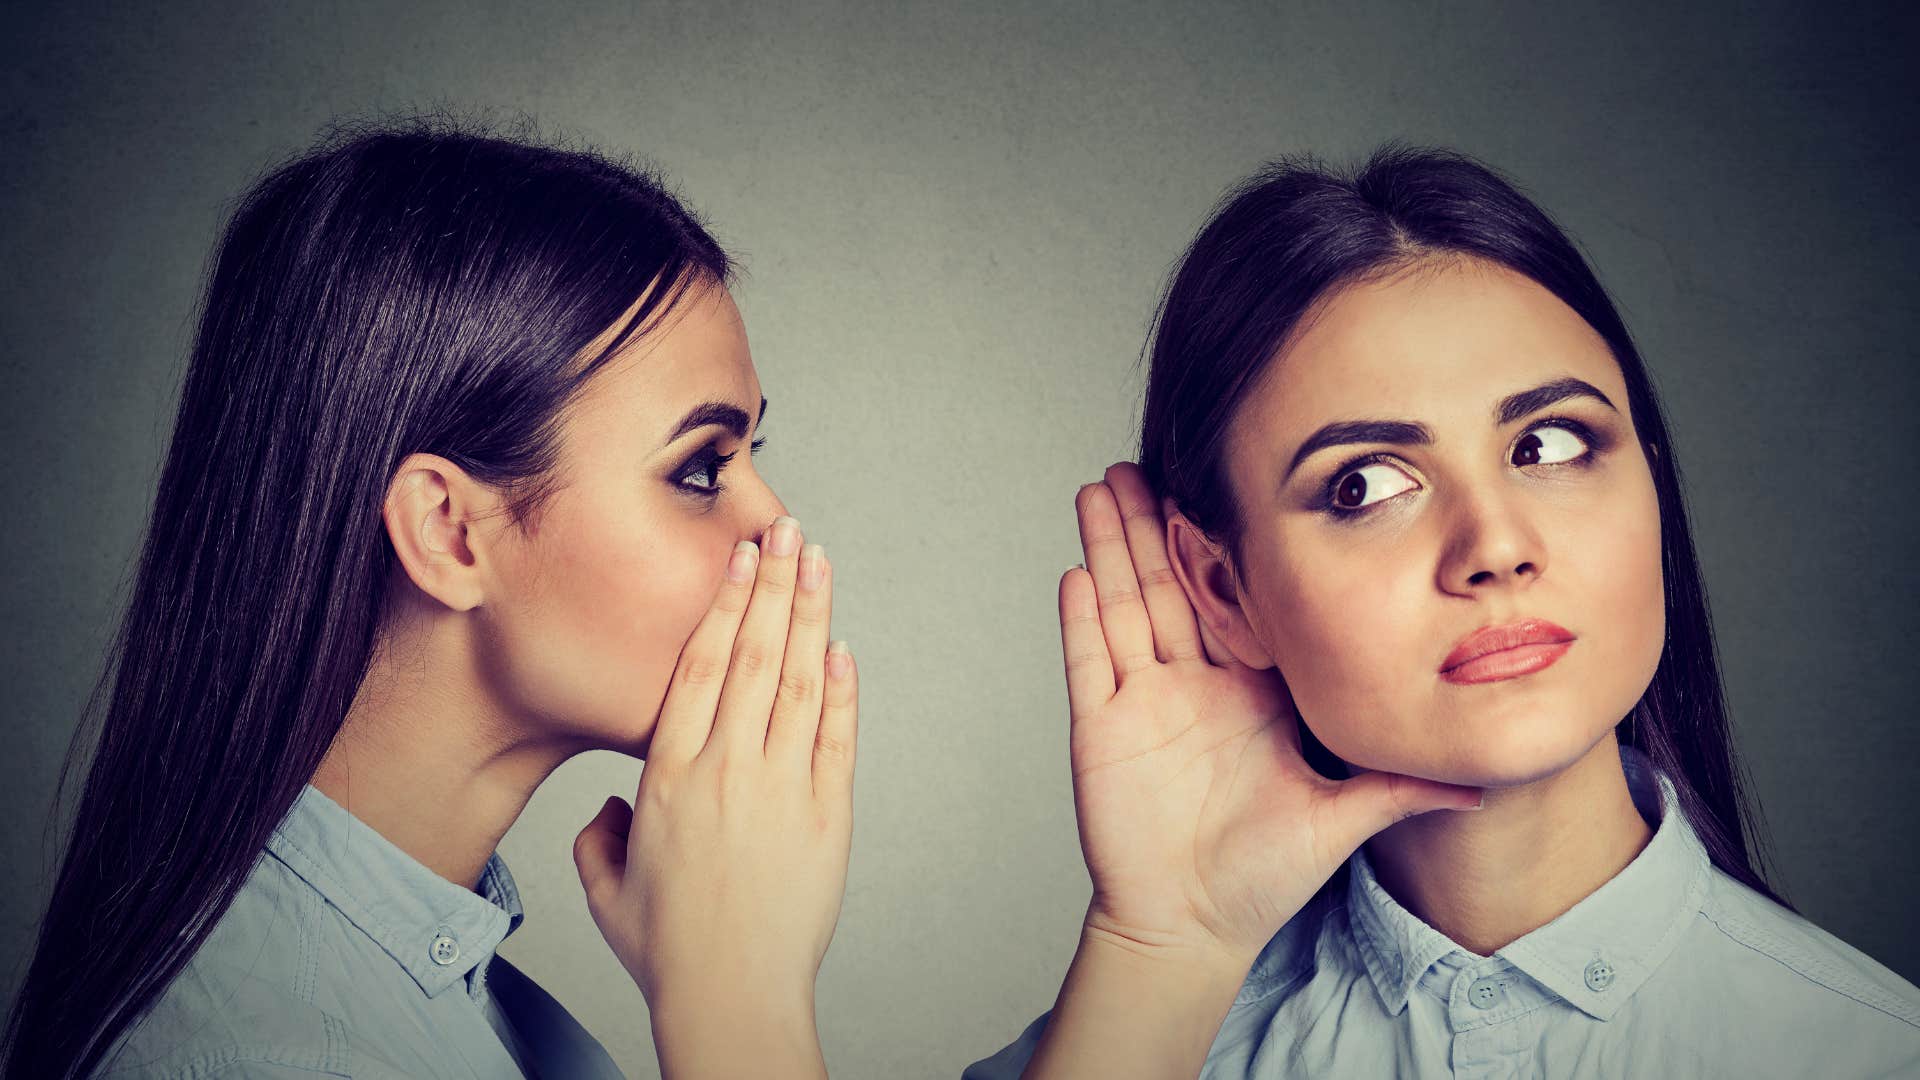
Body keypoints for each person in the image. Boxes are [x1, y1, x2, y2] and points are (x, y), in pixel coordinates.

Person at [966, 146, 1920, 1078]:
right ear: (1225, 592)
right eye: (1365, 485)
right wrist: (1169, 946)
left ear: (1652, 492)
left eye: (1550, 444)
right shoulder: (1116, 1041)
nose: (1495, 546)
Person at [1, 118, 858, 1080]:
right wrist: (737, 1003)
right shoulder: (279, 1060)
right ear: (448, 531)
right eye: (701, 468)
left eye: (751, 455)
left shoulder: (445, 998)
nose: (778, 527)